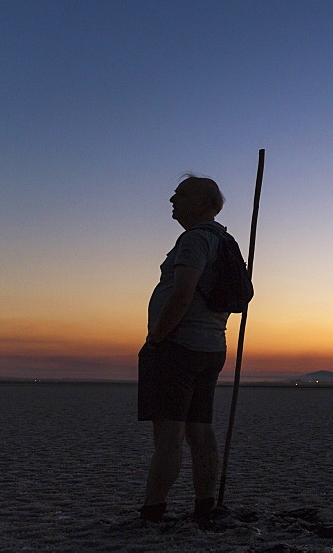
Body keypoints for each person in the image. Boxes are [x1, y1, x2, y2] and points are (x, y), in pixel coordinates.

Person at [138, 176, 231, 525]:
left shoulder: (195, 240)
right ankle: (205, 506)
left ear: (205, 203)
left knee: (169, 435)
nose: (172, 198)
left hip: (178, 347)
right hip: (211, 346)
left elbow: (182, 294)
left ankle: (152, 511)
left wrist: (157, 338)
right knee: (199, 429)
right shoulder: (224, 241)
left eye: (183, 194)